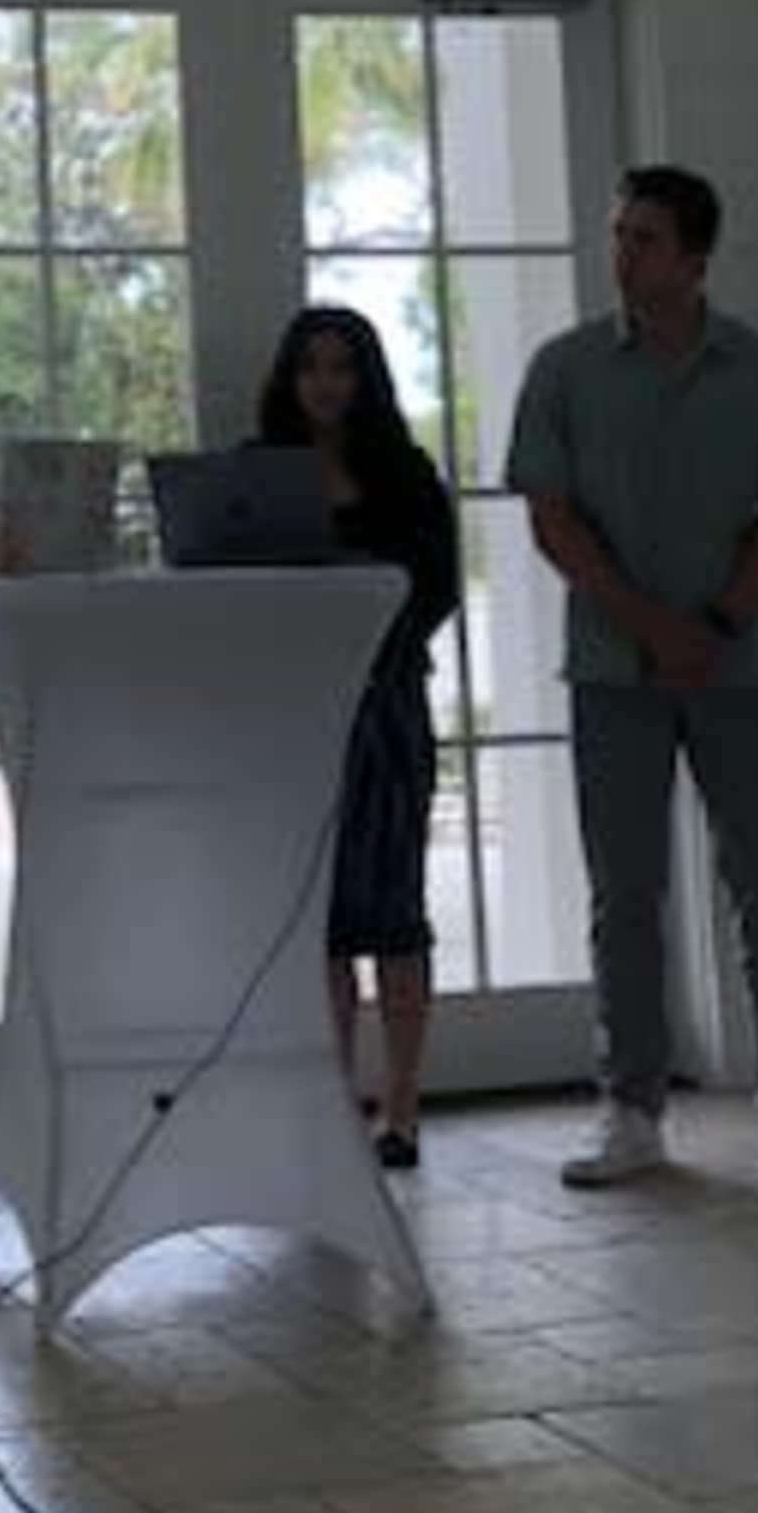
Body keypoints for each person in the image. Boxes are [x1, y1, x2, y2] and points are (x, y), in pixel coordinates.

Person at [506, 166, 758, 1190]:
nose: (623, 255)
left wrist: (714, 622)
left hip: (737, 666)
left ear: (697, 258)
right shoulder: (567, 368)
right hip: (613, 669)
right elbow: (551, 517)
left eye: (646, 239)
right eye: (618, 234)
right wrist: (649, 623)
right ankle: (631, 1109)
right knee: (625, 892)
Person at [254, 305, 463, 1172]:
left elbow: (439, 587)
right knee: (325, 922)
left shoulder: (406, 472)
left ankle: (402, 1109)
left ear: (366, 378)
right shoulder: (260, 473)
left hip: (389, 706)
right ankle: (334, 1105)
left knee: (397, 913)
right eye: (310, 367)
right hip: (298, 713)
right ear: (289, 379)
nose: (325, 384)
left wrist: (376, 640)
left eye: (341, 367)